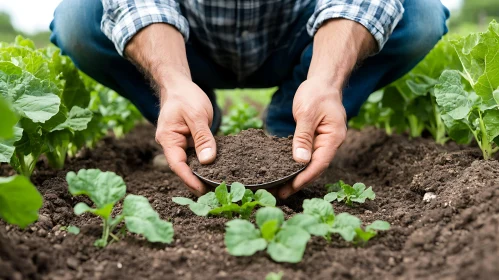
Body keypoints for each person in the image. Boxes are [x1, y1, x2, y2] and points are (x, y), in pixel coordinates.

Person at [50, 0, 449, 199]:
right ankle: (190, 118)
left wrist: (325, 79)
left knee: (421, 15)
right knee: (78, 19)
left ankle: (293, 127)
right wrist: (173, 82)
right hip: (191, 41)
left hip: (297, 37)